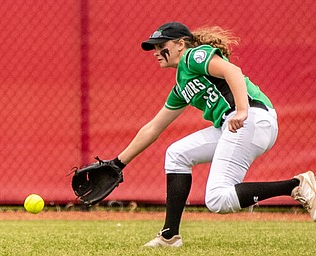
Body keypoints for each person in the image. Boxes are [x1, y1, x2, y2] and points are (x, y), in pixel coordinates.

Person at [110, 22, 315, 247]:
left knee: (217, 199)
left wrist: (242, 109)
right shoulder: (181, 85)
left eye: (161, 45)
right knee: (176, 154)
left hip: (251, 118)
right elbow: (153, 128)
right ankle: (169, 236)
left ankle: (295, 185)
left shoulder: (193, 56)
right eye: (154, 48)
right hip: (238, 123)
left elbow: (232, 71)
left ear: (180, 44)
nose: (157, 52)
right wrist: (119, 163)